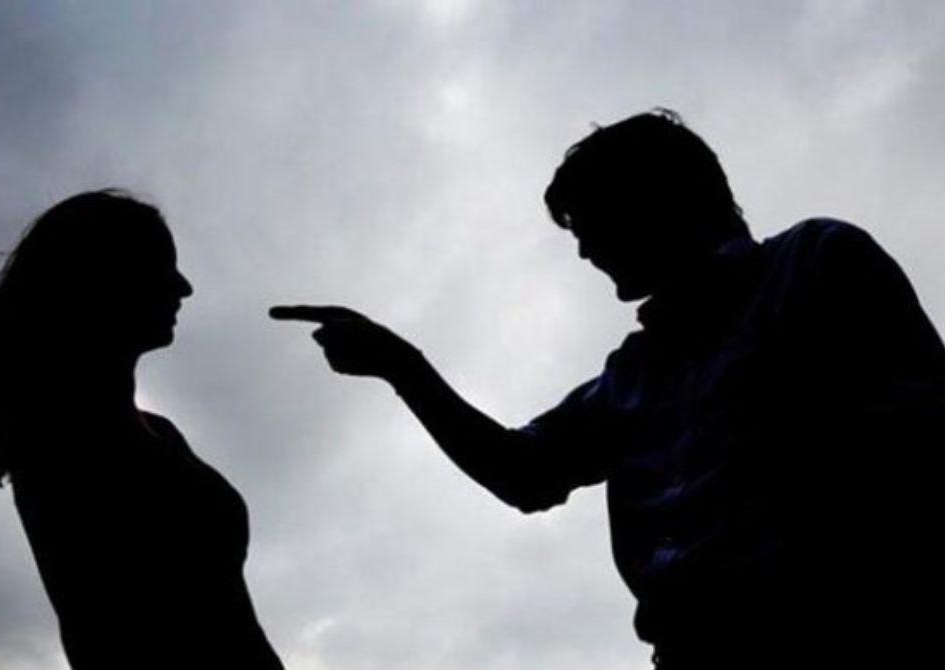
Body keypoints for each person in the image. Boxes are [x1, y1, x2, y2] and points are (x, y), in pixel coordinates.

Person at [270, 109, 943, 667]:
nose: (585, 250)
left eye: (593, 220)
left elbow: (922, 433)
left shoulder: (816, 260)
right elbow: (523, 471)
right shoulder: (634, 372)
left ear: (659, 200)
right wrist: (402, 366)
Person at [0, 190, 284, 669]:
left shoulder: (160, 433)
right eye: (163, 267)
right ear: (104, 278)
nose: (184, 287)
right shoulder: (62, 440)